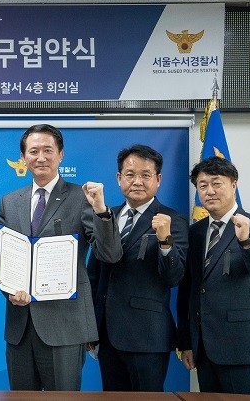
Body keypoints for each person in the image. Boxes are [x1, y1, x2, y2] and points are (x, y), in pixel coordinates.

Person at [0, 124, 123, 391]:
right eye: (33, 151)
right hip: (20, 326)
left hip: (66, 326)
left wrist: (101, 210)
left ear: (61, 154)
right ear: (23, 158)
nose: (41, 157)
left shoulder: (82, 197)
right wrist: (10, 289)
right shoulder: (9, 202)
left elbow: (109, 253)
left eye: (48, 150)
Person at [87, 144, 188, 391]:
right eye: (130, 174)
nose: (137, 182)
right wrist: (91, 327)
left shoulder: (172, 220)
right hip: (107, 335)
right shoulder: (106, 215)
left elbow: (174, 277)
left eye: (146, 175)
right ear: (119, 178)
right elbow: (94, 276)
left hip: (148, 337)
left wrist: (165, 240)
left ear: (158, 179)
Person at [177, 157, 250, 395]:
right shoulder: (195, 232)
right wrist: (186, 342)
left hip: (243, 348)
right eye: (202, 185)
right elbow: (188, 290)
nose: (209, 191)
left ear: (233, 185)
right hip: (204, 348)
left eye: (216, 183)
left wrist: (247, 241)